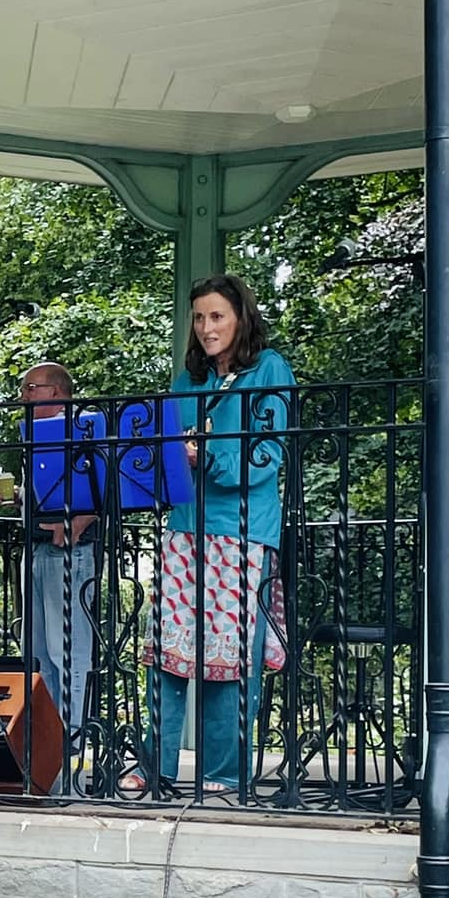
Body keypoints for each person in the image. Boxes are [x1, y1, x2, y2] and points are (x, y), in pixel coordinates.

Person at [143, 274, 294, 793]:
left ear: (240, 318)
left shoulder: (268, 369)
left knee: (228, 657)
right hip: (186, 526)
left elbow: (267, 455)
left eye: (217, 316)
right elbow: (167, 451)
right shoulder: (188, 380)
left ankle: (224, 774)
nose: (206, 328)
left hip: (242, 529)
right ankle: (157, 766)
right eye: (199, 317)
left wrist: (206, 456)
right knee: (167, 652)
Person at [16, 363, 98, 731]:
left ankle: (71, 739)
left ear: (55, 391)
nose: (24, 396)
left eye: (30, 388)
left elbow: (109, 484)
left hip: (70, 551)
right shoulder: (37, 434)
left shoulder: (83, 429)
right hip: (37, 547)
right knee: (37, 652)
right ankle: (48, 741)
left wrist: (83, 519)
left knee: (66, 650)